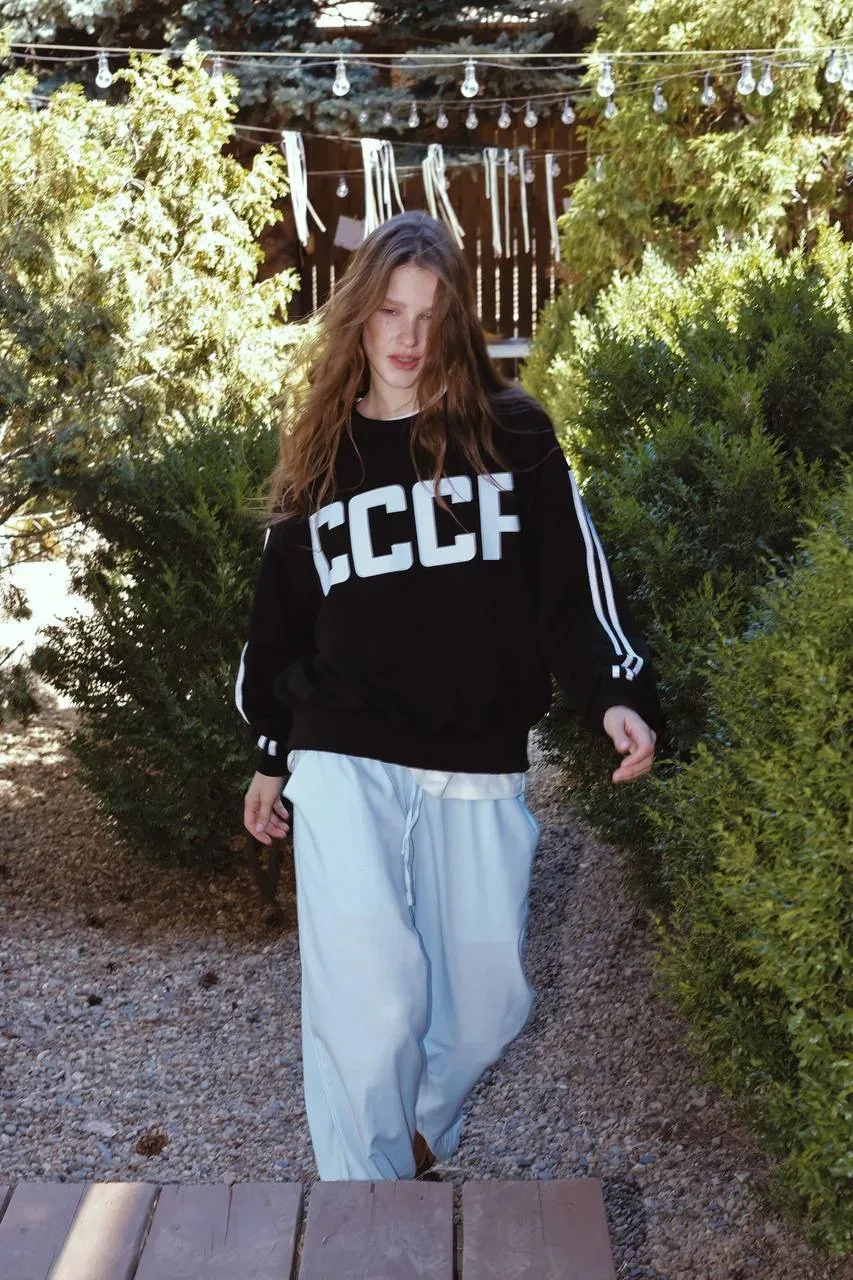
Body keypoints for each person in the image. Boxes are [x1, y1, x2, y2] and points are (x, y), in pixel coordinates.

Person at [234, 210, 664, 1183]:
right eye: (390, 310)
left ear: (456, 321)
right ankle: (365, 1202)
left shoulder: (513, 435)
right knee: (370, 1001)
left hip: (475, 752)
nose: (409, 336)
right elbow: (277, 627)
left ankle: (417, 1134)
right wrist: (270, 751)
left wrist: (615, 692)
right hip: (343, 751)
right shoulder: (321, 457)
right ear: (359, 316)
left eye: (430, 314)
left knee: (485, 1008)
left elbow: (571, 586)